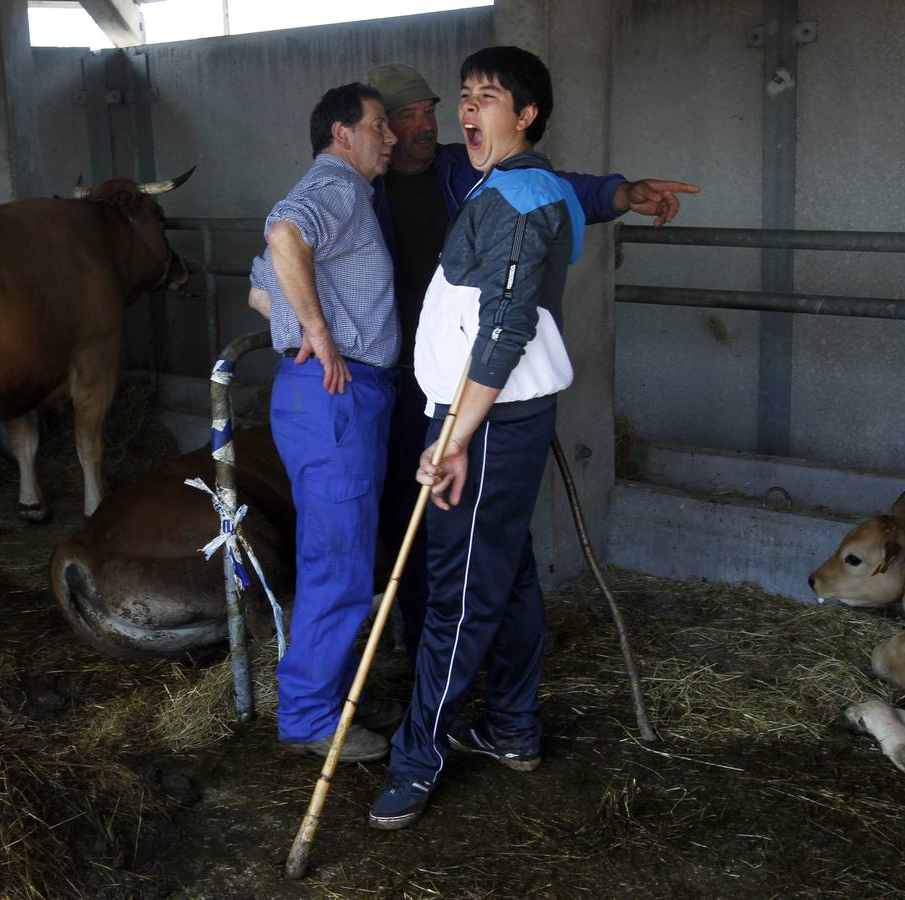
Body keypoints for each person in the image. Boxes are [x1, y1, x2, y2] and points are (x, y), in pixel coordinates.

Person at [369, 46, 657, 829]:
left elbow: (504, 328)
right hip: (489, 415)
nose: (468, 110)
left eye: (488, 97)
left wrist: (455, 437)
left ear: (526, 115)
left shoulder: (521, 197)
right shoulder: (512, 184)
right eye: (465, 95)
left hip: (486, 419)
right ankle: (511, 725)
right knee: (510, 572)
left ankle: (417, 758)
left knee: (457, 592)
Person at [363, 62, 698, 659]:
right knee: (421, 518)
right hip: (405, 375)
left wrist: (620, 193)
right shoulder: (363, 190)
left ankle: (470, 669)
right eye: (406, 116)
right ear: (381, 128)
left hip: (481, 381)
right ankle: (425, 652)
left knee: (475, 530)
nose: (425, 125)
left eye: (429, 110)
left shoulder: (463, 168)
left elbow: (549, 189)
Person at [245, 83, 404, 763]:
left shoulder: (345, 194)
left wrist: (299, 323)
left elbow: (260, 289)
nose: (390, 138)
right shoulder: (336, 186)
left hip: (325, 394)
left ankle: (334, 696)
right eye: (379, 125)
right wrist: (317, 332)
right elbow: (283, 235)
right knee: (338, 560)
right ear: (343, 134)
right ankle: (311, 717)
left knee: (341, 552)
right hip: (337, 391)